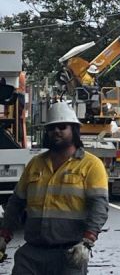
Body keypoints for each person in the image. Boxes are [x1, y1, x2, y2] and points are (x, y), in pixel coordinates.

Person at [0, 100, 109, 275]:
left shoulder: (91, 165)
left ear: (73, 130)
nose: (56, 131)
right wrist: (4, 234)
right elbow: (16, 202)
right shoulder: (35, 164)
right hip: (32, 254)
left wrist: (87, 242)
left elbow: (99, 206)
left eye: (62, 126)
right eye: (52, 128)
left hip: (70, 254)